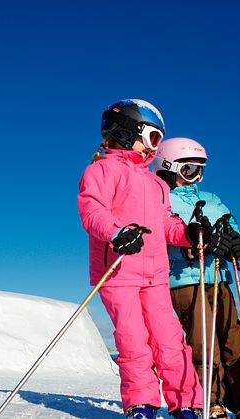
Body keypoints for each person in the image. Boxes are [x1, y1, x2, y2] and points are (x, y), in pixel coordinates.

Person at [78, 99, 205, 419]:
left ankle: (186, 403)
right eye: (153, 138)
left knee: (170, 340)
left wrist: (188, 233)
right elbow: (92, 210)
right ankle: (141, 403)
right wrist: (116, 233)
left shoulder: (156, 183)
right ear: (130, 132)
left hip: (156, 274)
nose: (155, 148)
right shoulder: (102, 170)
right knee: (133, 340)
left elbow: (165, 223)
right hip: (118, 270)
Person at [152, 138, 240, 419]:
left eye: (201, 170)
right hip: (185, 279)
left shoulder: (211, 199)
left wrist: (233, 242)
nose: (196, 178)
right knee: (203, 340)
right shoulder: (158, 199)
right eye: (189, 170)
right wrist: (190, 246)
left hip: (219, 276)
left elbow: (231, 225)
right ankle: (209, 400)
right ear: (168, 166)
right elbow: (160, 241)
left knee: (233, 338)